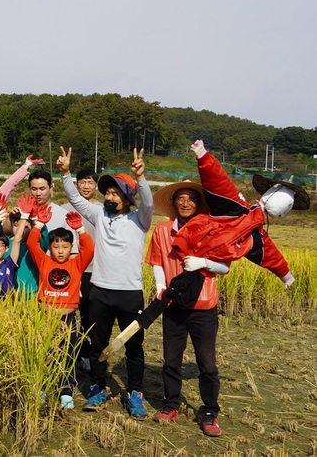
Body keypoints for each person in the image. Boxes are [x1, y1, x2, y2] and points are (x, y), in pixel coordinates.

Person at [57, 146, 153, 419]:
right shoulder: (99, 215)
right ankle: (97, 389)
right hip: (100, 290)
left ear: (127, 197)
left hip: (130, 294)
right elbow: (76, 199)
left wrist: (142, 178)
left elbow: (148, 203)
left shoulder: (140, 220)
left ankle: (135, 394)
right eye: (107, 192)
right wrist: (65, 173)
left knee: (134, 347)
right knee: (97, 345)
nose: (109, 196)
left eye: (115, 193)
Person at [147, 180, 229, 437]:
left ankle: (209, 411)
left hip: (204, 306)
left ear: (198, 204)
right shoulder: (161, 231)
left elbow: (224, 267)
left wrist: (204, 261)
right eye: (180, 199)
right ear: (173, 204)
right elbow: (157, 261)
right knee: (171, 360)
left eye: (191, 199)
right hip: (173, 305)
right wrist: (160, 285)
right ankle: (171, 404)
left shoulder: (212, 231)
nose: (185, 203)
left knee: (207, 363)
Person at [172, 139, 309, 289]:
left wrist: (203, 156)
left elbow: (220, 182)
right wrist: (203, 157)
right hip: (193, 252)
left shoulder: (251, 226)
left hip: (197, 257)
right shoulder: (249, 224)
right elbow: (219, 182)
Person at [24, 198, 94, 409]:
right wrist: (38, 224)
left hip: (69, 318)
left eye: (65, 246)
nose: (61, 250)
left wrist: (80, 229)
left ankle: (66, 390)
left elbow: (89, 249)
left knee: (68, 354)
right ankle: (43, 388)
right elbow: (31, 243)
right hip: (45, 316)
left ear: (71, 247)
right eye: (56, 246)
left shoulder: (77, 264)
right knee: (45, 353)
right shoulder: (44, 261)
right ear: (50, 248)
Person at [62, 168, 100, 372]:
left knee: (88, 313)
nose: (86, 186)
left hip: (92, 270)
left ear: (96, 186)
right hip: (67, 270)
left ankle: (85, 353)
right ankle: (64, 352)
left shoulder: (102, 210)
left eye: (90, 182)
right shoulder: (63, 208)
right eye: (82, 182)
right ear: (76, 185)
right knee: (66, 314)